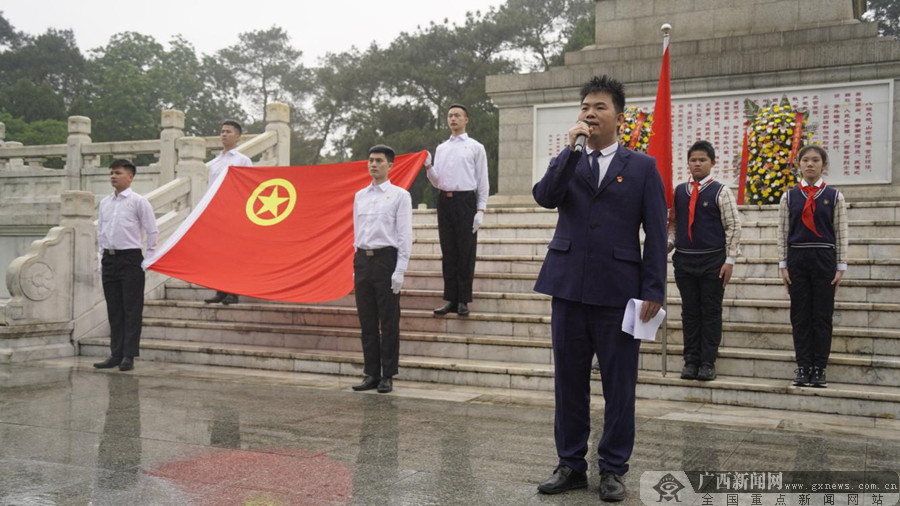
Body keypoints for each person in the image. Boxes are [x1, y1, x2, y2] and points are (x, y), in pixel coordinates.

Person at [532, 75, 667, 502]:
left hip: (620, 293)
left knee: (619, 387)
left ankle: (612, 469)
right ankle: (570, 464)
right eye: (585, 107)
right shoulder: (569, 161)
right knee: (568, 383)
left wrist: (655, 290)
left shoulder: (642, 167)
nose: (590, 114)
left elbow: (657, 233)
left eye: (600, 107)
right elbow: (544, 197)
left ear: (619, 117)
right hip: (568, 288)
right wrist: (565, 152)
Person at [667, 141, 742, 381]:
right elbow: (674, 225)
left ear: (712, 163)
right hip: (685, 262)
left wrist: (730, 259)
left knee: (710, 311)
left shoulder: (721, 191)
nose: (697, 164)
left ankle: (708, 362)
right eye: (693, 160)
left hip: (713, 262)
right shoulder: (679, 191)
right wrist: (667, 244)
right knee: (689, 312)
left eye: (702, 160)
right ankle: (691, 360)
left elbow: (733, 226)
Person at [777, 145, 847, 388]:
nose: (810, 164)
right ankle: (803, 365)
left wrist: (841, 267)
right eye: (805, 160)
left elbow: (841, 233)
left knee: (822, 316)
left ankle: (819, 368)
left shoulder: (834, 196)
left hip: (824, 260)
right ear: (799, 164)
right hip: (797, 260)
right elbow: (782, 233)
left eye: (815, 160)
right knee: (800, 316)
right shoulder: (789, 197)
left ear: (823, 165)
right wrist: (783, 265)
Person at [351, 145, 413, 394]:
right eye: (370, 160)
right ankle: (371, 373)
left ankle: (388, 374)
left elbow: (404, 235)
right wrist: (356, 265)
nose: (373, 164)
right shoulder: (360, 196)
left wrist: (400, 270)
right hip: (363, 260)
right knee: (367, 322)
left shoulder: (400, 195)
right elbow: (357, 231)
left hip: (386, 259)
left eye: (378, 161)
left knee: (388, 321)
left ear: (390, 165)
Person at [94, 159, 159, 372]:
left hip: (131, 259)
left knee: (131, 309)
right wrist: (101, 258)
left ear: (130, 177)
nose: (113, 176)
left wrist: (148, 258)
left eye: (118, 172)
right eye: (112, 172)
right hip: (109, 259)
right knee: (114, 309)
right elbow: (100, 232)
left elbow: (152, 231)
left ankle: (128, 356)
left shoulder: (139, 201)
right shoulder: (105, 203)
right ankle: (115, 354)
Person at [426, 104, 489, 317]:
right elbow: (437, 181)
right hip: (445, 200)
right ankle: (450, 298)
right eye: (450, 116)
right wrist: (428, 168)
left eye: (457, 116)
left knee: (466, 251)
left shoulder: (475, 147)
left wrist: (480, 209)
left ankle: (463, 299)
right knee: (449, 251)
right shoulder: (442, 148)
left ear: (466, 119)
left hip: (465, 201)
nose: (453, 119)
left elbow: (482, 180)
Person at [204, 120, 252, 305]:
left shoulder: (242, 160)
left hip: (235, 211)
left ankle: (233, 291)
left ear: (238, 136)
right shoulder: (214, 163)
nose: (224, 134)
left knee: (233, 253)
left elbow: (249, 188)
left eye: (228, 131)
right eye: (222, 131)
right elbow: (210, 189)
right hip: (217, 212)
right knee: (218, 253)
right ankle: (220, 290)